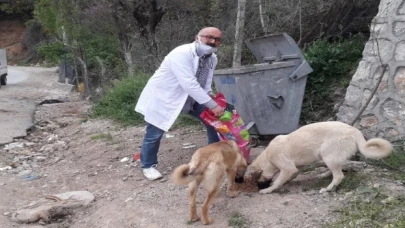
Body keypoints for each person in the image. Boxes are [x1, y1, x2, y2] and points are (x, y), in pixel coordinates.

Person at [135, 27, 225, 180]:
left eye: (217, 39)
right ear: (197, 37)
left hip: (193, 97)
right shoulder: (181, 53)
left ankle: (213, 155)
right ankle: (148, 165)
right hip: (167, 96)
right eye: (209, 37)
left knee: (213, 121)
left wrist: (210, 96)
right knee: (155, 133)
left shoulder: (212, 58)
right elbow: (189, 84)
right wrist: (212, 105)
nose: (213, 41)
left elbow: (206, 81)